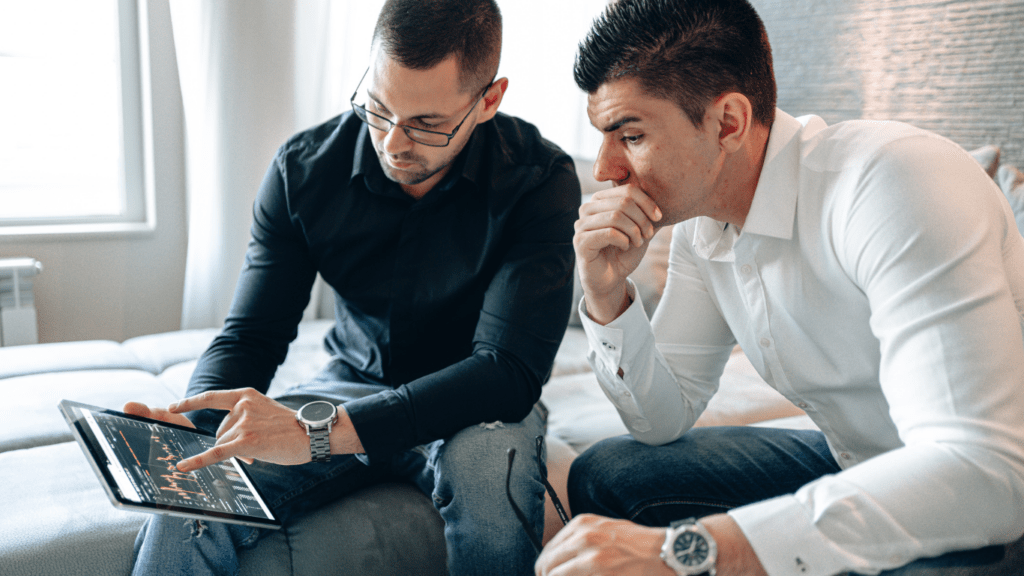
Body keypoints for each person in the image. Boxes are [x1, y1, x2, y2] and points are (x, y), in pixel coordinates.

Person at [535, 0, 1024, 575]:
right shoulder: (702, 226)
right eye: (604, 137)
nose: (606, 170)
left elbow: (986, 471)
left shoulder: (894, 181)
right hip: (859, 461)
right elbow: (661, 420)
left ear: (728, 123)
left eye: (631, 135)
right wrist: (606, 293)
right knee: (610, 474)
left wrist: (693, 553)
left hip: (983, 489)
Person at [125, 1, 581, 575]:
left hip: (476, 404)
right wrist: (196, 419)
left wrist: (317, 434)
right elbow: (253, 334)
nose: (392, 143)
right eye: (378, 109)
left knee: (494, 489)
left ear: (488, 100)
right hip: (347, 386)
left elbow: (506, 372)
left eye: (426, 125)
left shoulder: (540, 180)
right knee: (188, 495)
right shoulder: (303, 169)